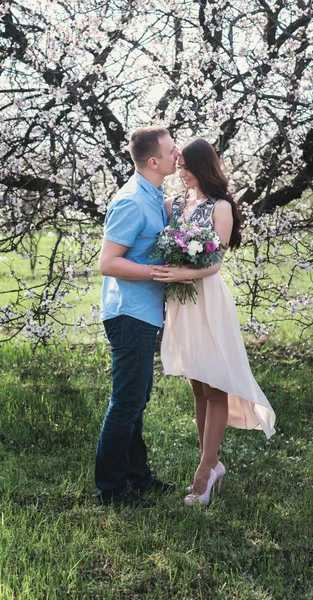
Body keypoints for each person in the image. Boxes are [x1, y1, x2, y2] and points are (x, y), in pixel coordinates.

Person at [150, 138, 276, 507]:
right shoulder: (172, 205)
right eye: (180, 165)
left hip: (206, 299)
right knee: (198, 386)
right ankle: (212, 462)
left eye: (187, 166)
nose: (182, 172)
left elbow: (216, 262)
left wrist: (180, 273)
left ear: (203, 166)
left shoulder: (220, 207)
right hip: (181, 304)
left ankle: (204, 472)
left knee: (216, 383)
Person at [96, 125, 184, 505]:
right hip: (130, 313)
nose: (177, 154)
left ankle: (137, 475)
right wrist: (157, 272)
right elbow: (108, 262)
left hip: (144, 313)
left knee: (136, 397)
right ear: (153, 161)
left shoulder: (154, 196)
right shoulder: (133, 200)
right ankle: (111, 489)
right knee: (128, 400)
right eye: (171, 150)